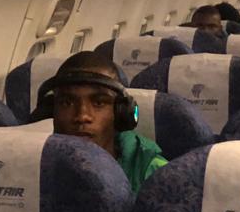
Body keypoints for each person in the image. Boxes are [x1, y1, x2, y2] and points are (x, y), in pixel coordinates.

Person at [33, 52, 167, 193]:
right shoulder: (30, 164)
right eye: (67, 103)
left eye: (99, 103)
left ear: (121, 113)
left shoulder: (154, 174)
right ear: (50, 112)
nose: (82, 116)